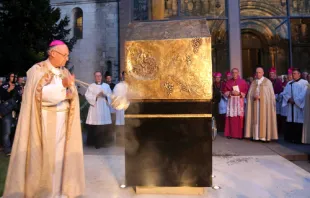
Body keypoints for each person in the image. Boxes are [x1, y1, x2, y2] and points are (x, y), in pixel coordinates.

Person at [3, 40, 85, 198]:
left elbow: (71, 93)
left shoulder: (64, 72)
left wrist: (69, 91)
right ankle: (46, 193)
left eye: (68, 55)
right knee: (46, 159)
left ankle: (60, 192)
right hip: (44, 123)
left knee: (61, 158)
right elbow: (40, 95)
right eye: (65, 55)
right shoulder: (37, 70)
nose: (67, 59)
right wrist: (63, 85)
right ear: (53, 53)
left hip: (63, 123)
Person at [245, 67, 278, 141]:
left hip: (265, 106)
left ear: (263, 73)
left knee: (264, 118)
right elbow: (249, 94)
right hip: (255, 104)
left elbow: (270, 95)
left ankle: (264, 137)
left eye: (259, 72)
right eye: (256, 72)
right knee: (256, 119)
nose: (258, 74)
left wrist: (261, 97)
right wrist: (253, 95)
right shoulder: (253, 82)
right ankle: (256, 136)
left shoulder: (267, 82)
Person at [85, 71, 113, 148]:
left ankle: (104, 143)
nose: (98, 77)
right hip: (95, 108)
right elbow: (87, 96)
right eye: (96, 76)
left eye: (99, 76)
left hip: (104, 107)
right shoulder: (91, 86)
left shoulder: (106, 86)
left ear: (101, 77)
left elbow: (111, 96)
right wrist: (96, 96)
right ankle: (94, 143)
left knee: (104, 124)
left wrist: (105, 95)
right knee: (95, 124)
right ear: (94, 77)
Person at [282, 68, 309, 144]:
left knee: (299, 120)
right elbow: (285, 93)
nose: (293, 75)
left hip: (299, 106)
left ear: (299, 74)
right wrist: (289, 99)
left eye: (294, 73)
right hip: (291, 105)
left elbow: (304, 94)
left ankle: (298, 139)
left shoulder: (305, 83)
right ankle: (291, 138)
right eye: (292, 73)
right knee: (291, 120)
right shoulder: (289, 83)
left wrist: (296, 101)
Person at [0, 72, 22, 156]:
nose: (14, 78)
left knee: (15, 130)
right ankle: (7, 149)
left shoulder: (17, 86)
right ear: (8, 77)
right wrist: (9, 90)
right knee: (7, 131)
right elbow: (2, 97)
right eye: (12, 76)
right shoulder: (4, 86)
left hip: (16, 110)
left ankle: (13, 147)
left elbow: (19, 97)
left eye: (15, 76)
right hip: (7, 110)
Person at [223, 68, 248, 139]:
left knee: (239, 118)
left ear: (238, 73)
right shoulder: (228, 82)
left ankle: (239, 135)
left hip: (239, 102)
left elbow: (246, 92)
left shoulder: (242, 82)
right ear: (231, 74)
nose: (234, 74)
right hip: (231, 103)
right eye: (233, 73)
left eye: (236, 72)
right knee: (231, 118)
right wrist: (231, 92)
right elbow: (225, 91)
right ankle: (230, 134)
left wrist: (239, 93)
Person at [113, 71, 129, 145]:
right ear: (121, 76)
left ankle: (128, 142)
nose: (125, 77)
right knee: (120, 124)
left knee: (129, 125)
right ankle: (120, 142)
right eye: (124, 75)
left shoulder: (131, 85)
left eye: (127, 75)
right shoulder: (118, 86)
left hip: (129, 107)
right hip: (120, 108)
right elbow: (114, 96)